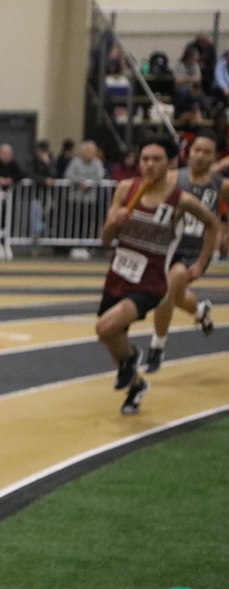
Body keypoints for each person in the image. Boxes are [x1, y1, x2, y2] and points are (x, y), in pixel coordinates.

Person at [96, 135, 219, 417]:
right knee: (113, 339)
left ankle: (143, 354)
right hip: (119, 275)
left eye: (157, 159)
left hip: (150, 281)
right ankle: (136, 385)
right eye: (145, 159)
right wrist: (113, 223)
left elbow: (212, 224)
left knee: (104, 328)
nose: (149, 164)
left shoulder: (181, 200)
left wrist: (201, 264)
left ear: (171, 163)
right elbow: (106, 239)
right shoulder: (126, 189)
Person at [146, 131, 227, 372]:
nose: (200, 156)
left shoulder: (220, 185)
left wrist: (203, 260)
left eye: (207, 152)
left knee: (168, 288)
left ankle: (157, 346)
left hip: (195, 249)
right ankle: (201, 311)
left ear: (215, 156)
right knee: (177, 296)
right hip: (168, 245)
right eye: (197, 150)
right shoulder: (173, 178)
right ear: (188, 152)